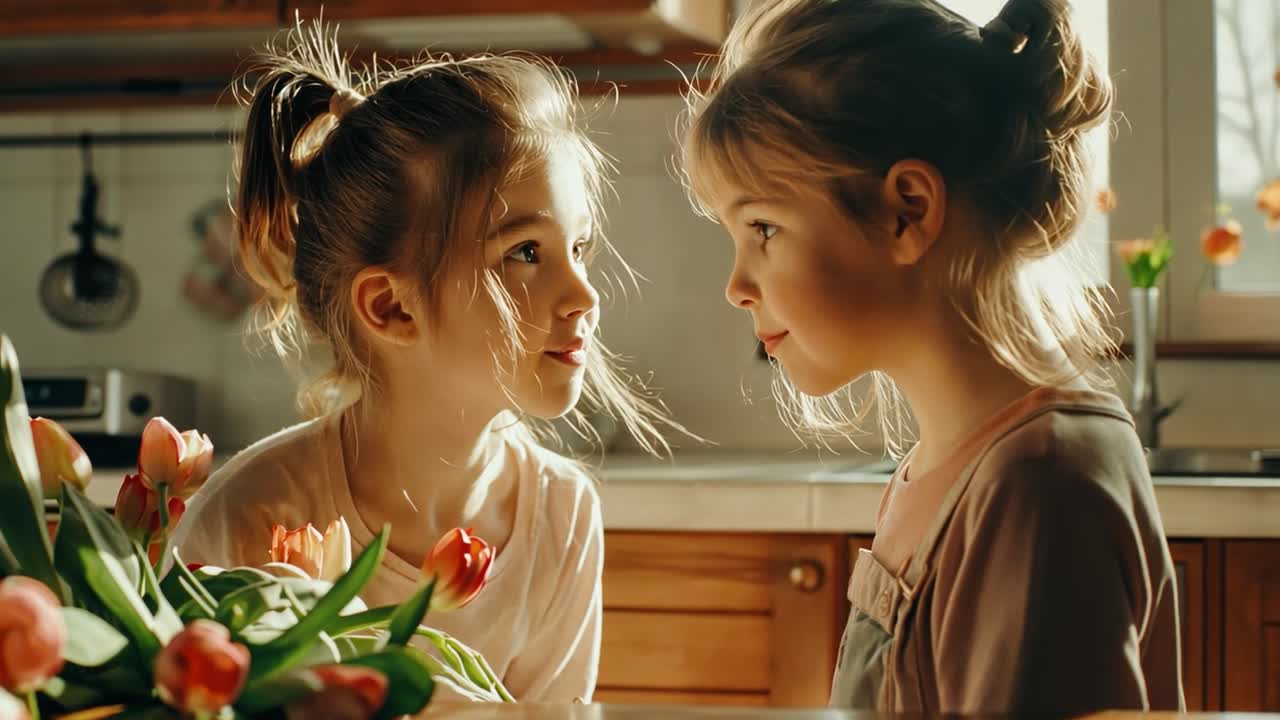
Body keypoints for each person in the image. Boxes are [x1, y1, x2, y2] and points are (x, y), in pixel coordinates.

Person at [680, 0, 1183, 713]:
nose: (735, 287)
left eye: (762, 227)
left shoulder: (1036, 483)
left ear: (906, 211)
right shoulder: (952, 464)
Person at [170, 23, 674, 703]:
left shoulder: (561, 514)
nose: (583, 294)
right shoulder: (251, 514)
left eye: (578, 248)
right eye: (525, 252)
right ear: (391, 309)